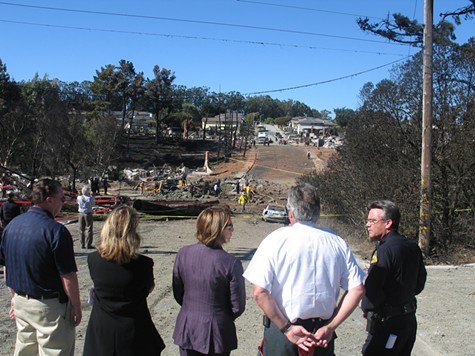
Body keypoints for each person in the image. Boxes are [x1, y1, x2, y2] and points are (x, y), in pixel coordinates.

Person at [243, 183, 365, 355]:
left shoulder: (275, 240)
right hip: (321, 334)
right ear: (318, 211)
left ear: (290, 212)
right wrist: (331, 326)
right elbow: (357, 289)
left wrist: (286, 328)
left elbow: (259, 292)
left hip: (283, 332)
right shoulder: (337, 242)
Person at [0, 179, 81, 355]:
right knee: (55, 351)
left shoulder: (12, 226)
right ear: (49, 199)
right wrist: (76, 306)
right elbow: (68, 276)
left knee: (25, 350)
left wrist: (14, 298)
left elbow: (7, 266)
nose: (63, 202)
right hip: (49, 307)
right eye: (61, 198)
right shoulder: (56, 231)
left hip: (21, 302)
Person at [83, 205, 165, 355]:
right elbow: (147, 289)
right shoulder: (144, 264)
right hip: (134, 329)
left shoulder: (93, 260)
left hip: (102, 329)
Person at [172, 205, 246, 355]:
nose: (233, 230)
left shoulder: (183, 254)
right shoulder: (231, 263)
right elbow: (237, 306)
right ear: (217, 229)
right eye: (229, 226)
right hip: (217, 332)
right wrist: (219, 316)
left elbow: (178, 292)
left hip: (188, 327)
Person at [361, 200, 427, 356]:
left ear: (388, 223)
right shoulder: (412, 246)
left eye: (372, 221)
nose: (367, 225)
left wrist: (369, 308)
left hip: (388, 323)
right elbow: (419, 283)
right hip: (408, 321)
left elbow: (372, 287)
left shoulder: (384, 251)